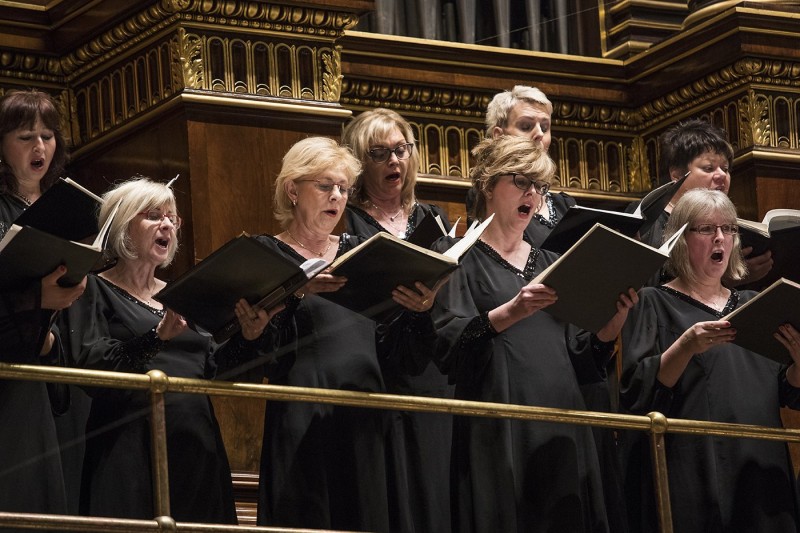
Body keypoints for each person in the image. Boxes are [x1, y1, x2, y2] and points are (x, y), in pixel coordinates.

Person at [432, 134, 638, 533]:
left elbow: (584, 360)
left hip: (562, 422)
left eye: (540, 186)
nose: (533, 194)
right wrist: (512, 311)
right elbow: (450, 347)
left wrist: (609, 328)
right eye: (521, 181)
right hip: (499, 420)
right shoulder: (457, 255)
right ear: (488, 185)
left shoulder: (553, 261)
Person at [254, 136, 443, 532]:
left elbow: (396, 351)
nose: (336, 197)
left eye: (342, 188)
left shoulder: (362, 251)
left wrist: (418, 311)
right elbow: (256, 353)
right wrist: (295, 293)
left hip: (365, 413)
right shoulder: (267, 256)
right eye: (324, 186)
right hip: (303, 411)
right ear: (292, 190)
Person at [60, 177, 276, 522]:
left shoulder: (184, 293)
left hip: (197, 446)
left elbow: (213, 367)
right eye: (153, 216)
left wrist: (249, 336)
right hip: (130, 449)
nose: (166, 225)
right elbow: (92, 366)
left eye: (170, 218)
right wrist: (157, 337)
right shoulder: (93, 288)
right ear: (122, 226)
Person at [620, 188, 800, 532]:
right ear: (681, 238)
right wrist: (686, 346)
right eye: (705, 229)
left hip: (760, 469)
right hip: (692, 466)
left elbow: (785, 391)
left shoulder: (754, 303)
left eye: (728, 229)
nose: (720, 238)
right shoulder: (651, 303)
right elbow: (636, 393)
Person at [341, 107, 454, 532]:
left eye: (401, 150)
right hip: (377, 365)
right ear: (358, 162)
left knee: (434, 490)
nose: (394, 161)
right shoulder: (349, 223)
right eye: (379, 153)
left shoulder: (435, 218)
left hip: (431, 365)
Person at [0, 89, 86, 520]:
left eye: (48, 136)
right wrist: (38, 298)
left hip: (55, 365)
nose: (40, 147)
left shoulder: (63, 207)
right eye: (25, 137)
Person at [635, 118, 773, 287]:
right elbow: (646, 289)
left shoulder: (731, 225)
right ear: (677, 175)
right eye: (709, 168)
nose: (722, 175)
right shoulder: (647, 217)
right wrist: (722, 280)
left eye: (725, 168)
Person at [467, 85, 577, 247]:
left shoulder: (564, 204)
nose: (539, 133)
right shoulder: (485, 193)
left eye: (545, 127)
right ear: (499, 136)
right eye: (526, 126)